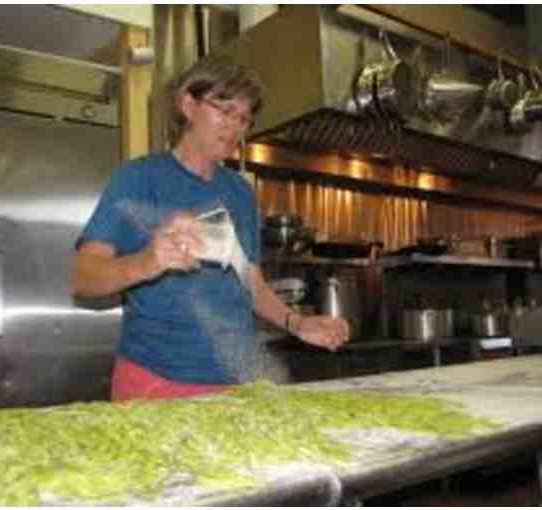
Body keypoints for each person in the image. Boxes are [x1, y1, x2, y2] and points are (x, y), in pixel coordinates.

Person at [73, 56, 350, 401]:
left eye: (244, 119)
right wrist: (146, 262)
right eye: (225, 110)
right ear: (188, 104)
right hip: (155, 382)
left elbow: (251, 282)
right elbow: (83, 277)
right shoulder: (138, 178)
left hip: (235, 383)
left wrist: (297, 323)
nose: (235, 127)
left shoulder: (240, 193)